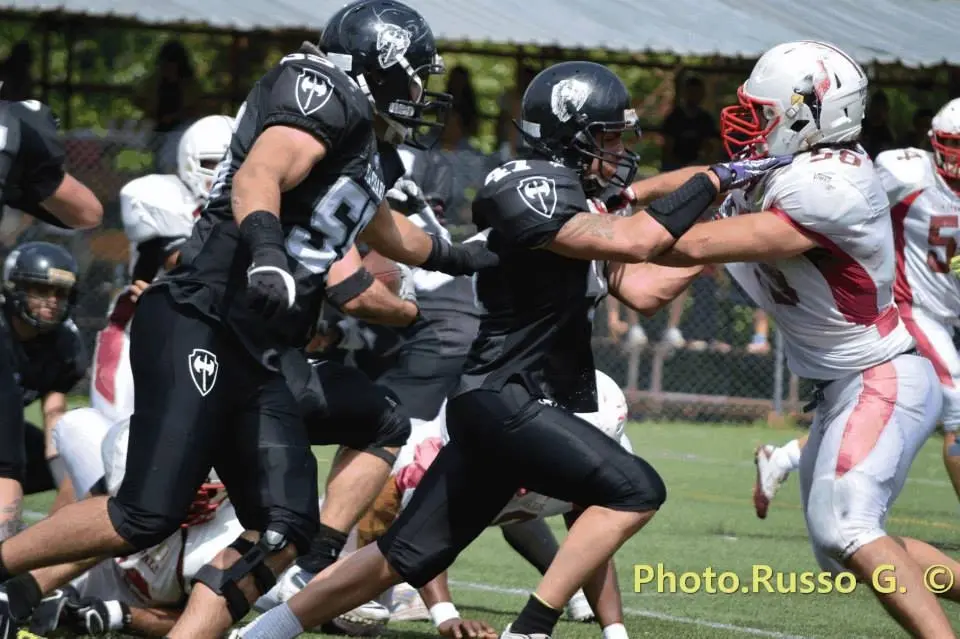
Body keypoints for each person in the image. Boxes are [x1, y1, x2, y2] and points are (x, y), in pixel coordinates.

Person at [231, 59, 785, 639]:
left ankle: (261, 633)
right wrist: (720, 181)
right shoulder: (527, 184)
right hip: (504, 401)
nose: (620, 150)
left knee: (404, 556)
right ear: (569, 134)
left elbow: (644, 288)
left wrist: (721, 236)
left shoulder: (585, 212)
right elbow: (639, 236)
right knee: (636, 489)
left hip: (511, 408)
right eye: (609, 136)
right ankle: (532, 627)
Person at [0, 3, 495, 638]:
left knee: (284, 530)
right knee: (147, 514)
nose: (421, 90)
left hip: (258, 354)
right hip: (200, 318)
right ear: (380, 65)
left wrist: (469, 254)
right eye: (415, 74)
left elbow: (382, 227)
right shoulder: (322, 90)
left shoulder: (363, 144)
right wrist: (265, 251)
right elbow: (263, 170)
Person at [653, 40, 959, 638]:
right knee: (836, 542)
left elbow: (678, 243)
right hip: (876, 352)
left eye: (763, 109)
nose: (748, 120)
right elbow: (661, 262)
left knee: (848, 528)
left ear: (811, 115)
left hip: (880, 366)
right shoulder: (830, 171)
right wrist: (628, 202)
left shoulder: (827, 186)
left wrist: (595, 233)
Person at [754, 98, 960, 516]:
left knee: (901, 412)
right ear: (936, 142)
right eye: (955, 143)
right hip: (913, 308)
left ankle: (787, 457)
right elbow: (848, 206)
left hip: (950, 309)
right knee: (956, 407)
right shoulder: (908, 172)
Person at [92, 114, 235, 425]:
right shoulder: (164, 199)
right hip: (134, 338)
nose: (224, 172)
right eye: (213, 163)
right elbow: (188, 262)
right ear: (189, 161)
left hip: (197, 344)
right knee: (114, 438)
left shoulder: (246, 211)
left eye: (233, 162)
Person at [0, 242, 86, 539]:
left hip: (7, 427)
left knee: (67, 462)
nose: (52, 301)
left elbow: (54, 411)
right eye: (41, 290)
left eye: (60, 293)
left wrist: (65, 471)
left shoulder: (63, 344)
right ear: (16, 288)